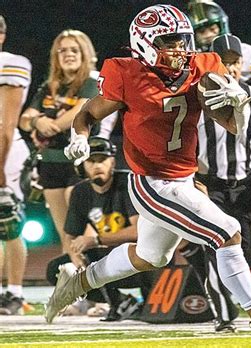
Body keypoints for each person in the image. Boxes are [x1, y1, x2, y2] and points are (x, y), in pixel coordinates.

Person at [45, 5, 251, 347]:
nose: (180, 49)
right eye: (169, 41)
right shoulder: (127, 74)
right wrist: (79, 138)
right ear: (144, 44)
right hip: (151, 182)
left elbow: (231, 125)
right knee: (227, 232)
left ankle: (78, 282)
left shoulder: (202, 67)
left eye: (183, 40)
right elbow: (88, 113)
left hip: (182, 178)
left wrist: (238, 101)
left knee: (151, 256)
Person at [187, 0, 251, 311]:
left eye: (235, 62)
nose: (230, 68)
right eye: (223, 61)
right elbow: (181, 140)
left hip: (244, 184)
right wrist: (191, 177)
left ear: (242, 63)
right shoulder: (194, 96)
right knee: (217, 244)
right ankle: (225, 311)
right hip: (208, 183)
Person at [46, 136, 150, 321]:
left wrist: (96, 240)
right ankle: (120, 302)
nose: (97, 166)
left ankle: (147, 300)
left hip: (143, 259)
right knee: (58, 269)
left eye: (102, 160)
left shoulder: (128, 183)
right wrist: (76, 258)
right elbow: (70, 236)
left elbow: (138, 232)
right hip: (108, 260)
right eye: (91, 161)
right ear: (82, 166)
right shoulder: (81, 192)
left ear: (112, 162)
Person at [19, 30, 99, 262]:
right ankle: (74, 288)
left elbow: (81, 112)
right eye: (62, 50)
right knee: (65, 232)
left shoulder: (92, 80)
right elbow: (24, 119)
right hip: (50, 163)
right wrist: (36, 121)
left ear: (85, 53)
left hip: (80, 163)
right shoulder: (49, 86)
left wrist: (47, 124)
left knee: (84, 230)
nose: (68, 55)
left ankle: (98, 293)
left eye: (74, 50)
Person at [0, 14, 31, 315]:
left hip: (5, 153)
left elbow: (6, 125)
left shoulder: (10, 63)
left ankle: (15, 293)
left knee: (9, 224)